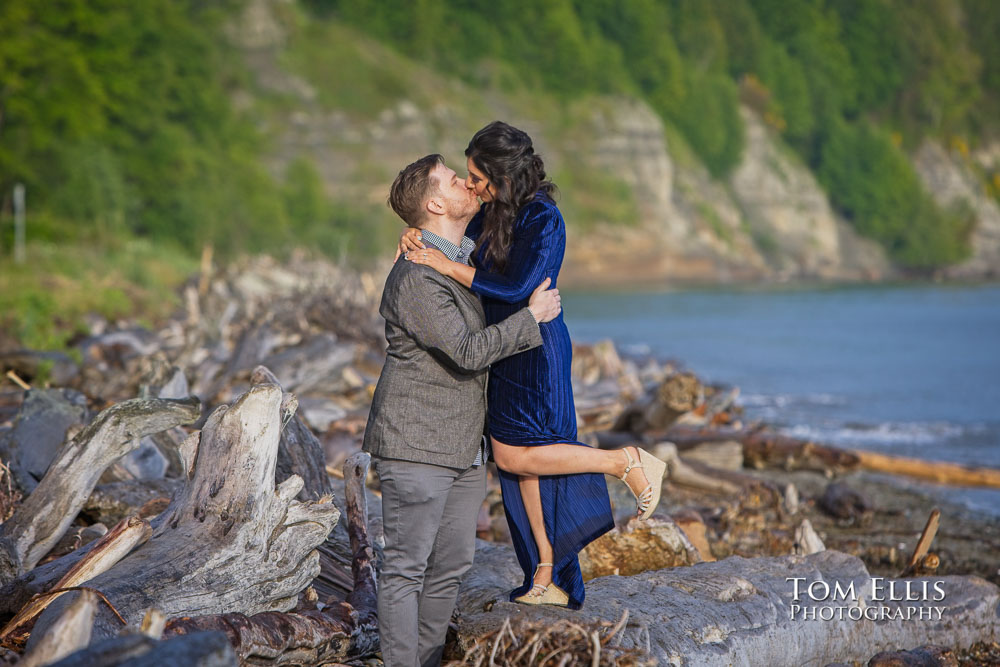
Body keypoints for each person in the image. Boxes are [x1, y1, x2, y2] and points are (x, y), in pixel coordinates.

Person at [398, 121, 667, 610]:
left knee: (520, 457)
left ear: (501, 176)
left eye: (477, 177)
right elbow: (458, 242)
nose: (471, 184)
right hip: (503, 349)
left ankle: (624, 461)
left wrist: (442, 266)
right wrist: (416, 234)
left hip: (536, 351)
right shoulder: (492, 213)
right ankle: (546, 573)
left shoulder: (544, 219)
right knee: (523, 472)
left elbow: (516, 288)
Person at [363, 153, 562, 667]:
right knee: (407, 568)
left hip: (464, 448)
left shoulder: (462, 256)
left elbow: (514, 229)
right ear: (434, 203)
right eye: (454, 180)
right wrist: (532, 319)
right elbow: (468, 351)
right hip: (415, 444)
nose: (466, 183)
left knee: (452, 565)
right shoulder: (416, 278)